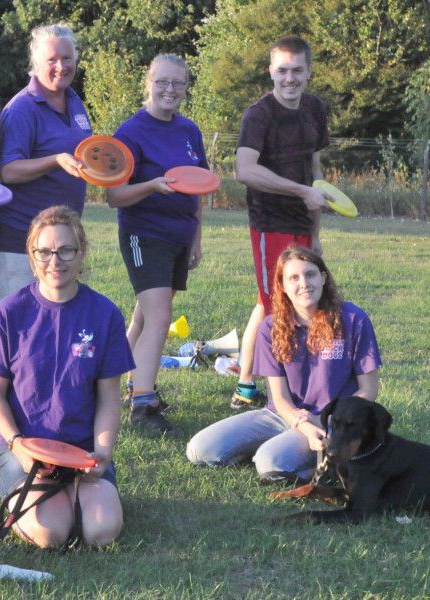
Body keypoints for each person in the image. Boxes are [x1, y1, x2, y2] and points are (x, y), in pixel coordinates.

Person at [0, 206, 134, 548]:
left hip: (81, 451)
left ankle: (78, 490)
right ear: (32, 257)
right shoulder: (9, 312)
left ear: (81, 254)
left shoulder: (105, 314)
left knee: (101, 533)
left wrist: (102, 453)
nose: (55, 261)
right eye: (44, 252)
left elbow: (109, 398)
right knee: (51, 535)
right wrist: (18, 446)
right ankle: (47, 495)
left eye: (66, 250)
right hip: (22, 447)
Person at [186, 246, 381, 482]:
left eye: (310, 274)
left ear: (323, 278)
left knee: (270, 463)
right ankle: (274, 451)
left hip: (332, 421)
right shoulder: (270, 327)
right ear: (283, 286)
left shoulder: (353, 319)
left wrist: (324, 421)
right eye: (294, 278)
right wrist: (301, 424)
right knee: (199, 450)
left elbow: (369, 390)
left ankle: (320, 467)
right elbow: (279, 399)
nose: (304, 283)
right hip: (282, 414)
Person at [106, 54, 209, 434]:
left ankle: (116, 383)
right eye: (162, 82)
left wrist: (196, 237)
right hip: (144, 234)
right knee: (160, 317)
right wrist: (153, 184)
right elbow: (115, 196)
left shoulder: (188, 130)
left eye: (177, 83)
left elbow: (200, 185)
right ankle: (143, 405)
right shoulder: (130, 132)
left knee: (145, 317)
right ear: (147, 82)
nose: (170, 90)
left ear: (185, 87)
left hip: (180, 236)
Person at [231, 35, 330, 411]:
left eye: (297, 71)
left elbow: (315, 173)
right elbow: (244, 170)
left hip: (304, 225)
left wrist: (316, 233)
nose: (290, 78)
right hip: (270, 223)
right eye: (282, 70)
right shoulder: (259, 114)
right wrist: (300, 192)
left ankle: (248, 382)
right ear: (271, 71)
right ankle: (260, 390)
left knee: (285, 302)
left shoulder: (316, 109)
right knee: (275, 307)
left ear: (308, 72)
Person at [0, 23, 92, 303]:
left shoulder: (75, 102)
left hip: (63, 237)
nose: (60, 66)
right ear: (35, 63)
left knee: (55, 315)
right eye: (51, 60)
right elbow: (9, 171)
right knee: (18, 315)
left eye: (67, 58)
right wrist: (56, 161)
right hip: (21, 235)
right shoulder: (21, 108)